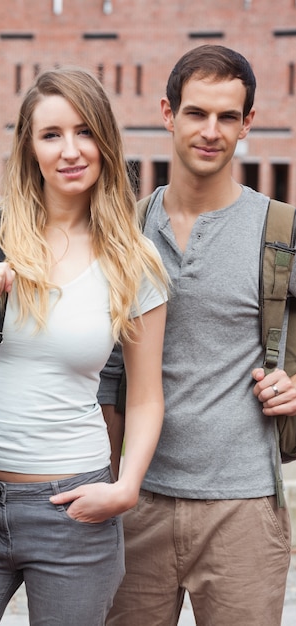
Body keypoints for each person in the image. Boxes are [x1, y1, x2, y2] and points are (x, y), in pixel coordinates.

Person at [0, 67, 169, 626]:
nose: (70, 151)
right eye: (51, 134)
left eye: (84, 132)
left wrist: (125, 487)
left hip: (75, 510)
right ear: (29, 148)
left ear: (105, 140)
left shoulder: (133, 260)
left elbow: (147, 395)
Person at [100, 45, 296, 626]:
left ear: (247, 124)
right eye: (196, 113)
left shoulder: (280, 230)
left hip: (244, 509)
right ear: (168, 113)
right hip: (136, 502)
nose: (211, 132)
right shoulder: (125, 232)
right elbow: (102, 370)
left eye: (228, 117)